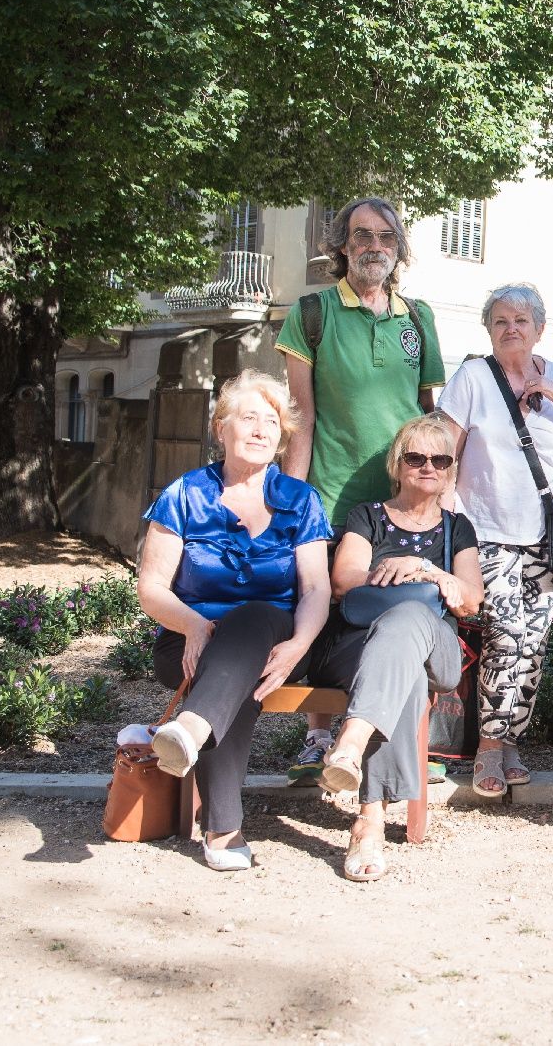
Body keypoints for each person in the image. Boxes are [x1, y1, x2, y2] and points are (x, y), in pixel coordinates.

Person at [274, 196, 446, 782]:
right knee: (324, 608)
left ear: (398, 249)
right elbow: (302, 414)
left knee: (399, 610)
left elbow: (430, 414)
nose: (374, 245)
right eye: (362, 235)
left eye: (386, 237)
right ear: (342, 246)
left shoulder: (419, 318)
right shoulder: (313, 312)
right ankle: (318, 737)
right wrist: (291, 505)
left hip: (403, 501)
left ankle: (389, 734)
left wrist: (439, 492)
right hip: (330, 496)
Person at [138, 371, 331, 871]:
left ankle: (196, 736)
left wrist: (298, 645)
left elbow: (314, 589)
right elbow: (152, 588)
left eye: (272, 421)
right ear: (221, 427)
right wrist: (195, 625)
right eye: (249, 418)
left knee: (253, 619)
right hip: (188, 643)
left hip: (281, 643)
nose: (262, 430)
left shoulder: (301, 500)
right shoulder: (184, 494)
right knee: (231, 665)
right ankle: (221, 823)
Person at [437, 283, 553, 794]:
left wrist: (551, 394)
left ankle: (511, 740)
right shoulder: (473, 378)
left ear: (540, 328)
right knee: (505, 636)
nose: (511, 329)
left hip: (546, 536)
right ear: (489, 330)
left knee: (531, 648)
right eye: (500, 321)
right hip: (486, 532)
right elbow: (447, 451)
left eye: (521, 320)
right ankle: (490, 749)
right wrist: (447, 522)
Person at [323, 414, 483, 880]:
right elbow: (342, 581)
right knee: (405, 673)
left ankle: (351, 740)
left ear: (450, 469)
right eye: (416, 457)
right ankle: (369, 821)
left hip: (440, 651)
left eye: (439, 459)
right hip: (363, 646)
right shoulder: (367, 516)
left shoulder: (458, 528)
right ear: (398, 464)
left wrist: (429, 571)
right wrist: (392, 566)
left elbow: (471, 601)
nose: (427, 466)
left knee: (412, 617)